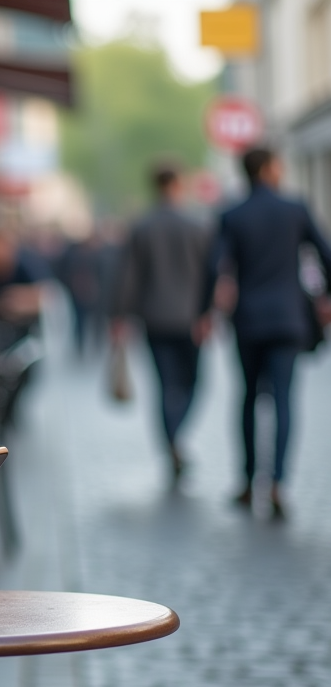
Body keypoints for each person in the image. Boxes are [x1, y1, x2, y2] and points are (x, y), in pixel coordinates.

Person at [202, 146, 331, 518]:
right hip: (289, 318)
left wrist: (205, 311)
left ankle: (247, 481)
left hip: (248, 320)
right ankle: (277, 482)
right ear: (270, 169)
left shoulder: (232, 213)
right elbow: (326, 255)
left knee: (247, 398)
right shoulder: (295, 208)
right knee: (284, 400)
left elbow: (214, 266)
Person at [111, 163, 211, 481]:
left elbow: (129, 276)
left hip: (154, 319)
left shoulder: (142, 227)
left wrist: (120, 315)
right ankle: (176, 435)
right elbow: (209, 274)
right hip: (191, 319)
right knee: (193, 383)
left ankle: (171, 440)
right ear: (178, 184)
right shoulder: (196, 225)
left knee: (165, 385)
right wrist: (208, 313)